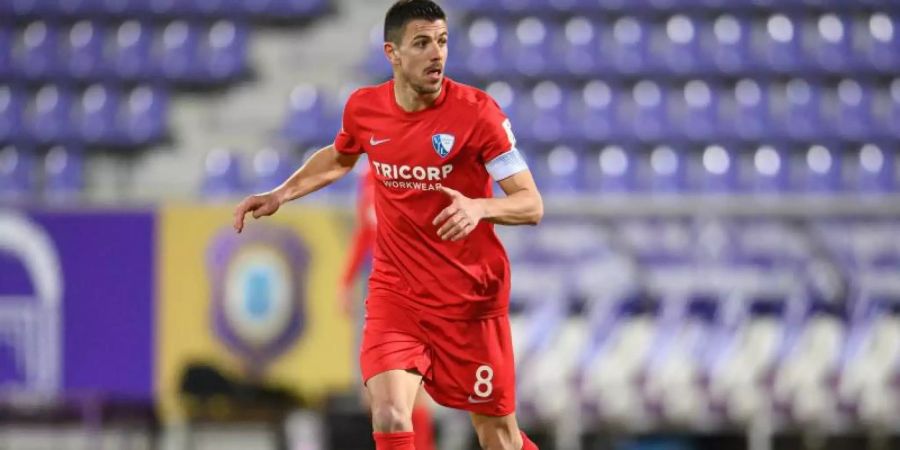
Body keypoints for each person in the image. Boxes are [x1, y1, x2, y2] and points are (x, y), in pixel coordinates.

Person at [233, 1, 544, 448]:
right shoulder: (365, 108)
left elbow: (531, 204)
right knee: (392, 414)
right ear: (392, 54)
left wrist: (480, 208)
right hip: (397, 295)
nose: (436, 54)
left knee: (498, 436)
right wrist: (281, 193)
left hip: (468, 299)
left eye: (442, 41)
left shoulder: (479, 114)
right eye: (421, 43)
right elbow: (339, 156)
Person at [339, 167, 436, 450]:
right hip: (378, 288)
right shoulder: (367, 176)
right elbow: (365, 232)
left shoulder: (416, 168)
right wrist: (346, 281)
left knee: (413, 387)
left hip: (416, 286)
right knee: (376, 395)